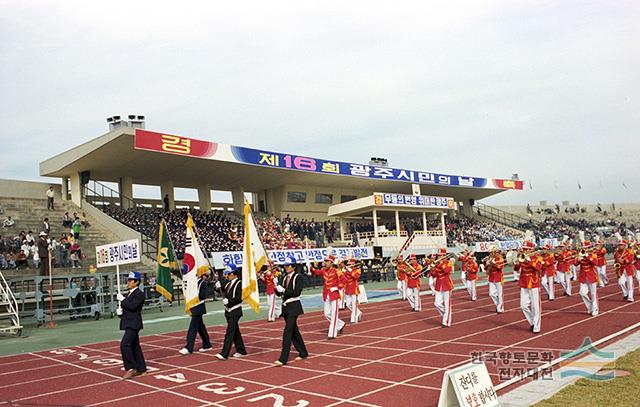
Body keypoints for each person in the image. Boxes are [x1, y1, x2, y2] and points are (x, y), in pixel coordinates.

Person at [274, 261, 308, 366]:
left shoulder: (298, 277)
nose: (286, 267)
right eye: (285, 266)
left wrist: (283, 290)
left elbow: (296, 292)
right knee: (294, 331)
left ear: (293, 267)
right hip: (286, 307)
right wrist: (276, 286)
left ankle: (283, 358)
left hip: (294, 306)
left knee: (287, 331)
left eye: (288, 266)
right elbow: (280, 294)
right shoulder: (284, 278)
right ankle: (303, 352)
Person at [117, 271, 147, 379]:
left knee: (124, 344)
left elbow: (133, 306)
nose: (128, 282)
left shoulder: (139, 294)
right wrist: (120, 313)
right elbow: (128, 308)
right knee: (135, 346)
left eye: (131, 280)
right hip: (128, 322)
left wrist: (123, 300)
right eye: (128, 280)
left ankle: (131, 367)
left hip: (134, 323)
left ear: (137, 282)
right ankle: (141, 368)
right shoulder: (129, 293)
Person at [309, 255, 345, 339]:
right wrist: (310, 267)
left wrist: (336, 287)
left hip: (334, 295)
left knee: (334, 314)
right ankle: (340, 324)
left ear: (331, 263)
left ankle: (332, 334)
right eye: (325, 261)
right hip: (326, 294)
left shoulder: (337, 271)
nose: (326, 263)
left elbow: (344, 281)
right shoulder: (324, 270)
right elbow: (317, 272)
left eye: (327, 261)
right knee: (326, 313)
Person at [215, 265, 247, 360]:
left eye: (228, 274)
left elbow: (239, 297)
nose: (227, 276)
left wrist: (229, 301)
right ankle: (241, 350)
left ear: (234, 274)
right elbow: (221, 290)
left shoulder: (239, 283)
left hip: (235, 310)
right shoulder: (228, 284)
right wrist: (217, 287)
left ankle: (224, 353)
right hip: (228, 311)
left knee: (229, 332)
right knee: (235, 332)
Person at [179, 270, 213, 355]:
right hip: (194, 307)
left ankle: (189, 347)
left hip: (199, 307)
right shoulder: (192, 283)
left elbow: (203, 296)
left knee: (192, 328)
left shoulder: (202, 283)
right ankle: (207, 344)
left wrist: (194, 294)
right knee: (200, 327)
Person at [513, 241, 544, 333]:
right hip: (524, 282)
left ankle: (536, 327)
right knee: (523, 306)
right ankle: (532, 322)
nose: (525, 251)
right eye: (524, 249)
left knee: (535, 306)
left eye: (526, 249)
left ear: (531, 250)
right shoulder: (521, 257)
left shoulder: (537, 257)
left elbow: (539, 268)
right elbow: (516, 269)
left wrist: (529, 260)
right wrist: (517, 263)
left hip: (533, 282)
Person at [431, 248, 454, 327]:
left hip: (447, 285)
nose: (439, 257)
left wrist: (440, 264)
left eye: (441, 256)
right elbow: (434, 274)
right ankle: (446, 314)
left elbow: (447, 270)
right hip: (438, 285)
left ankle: (446, 321)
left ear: (444, 256)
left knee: (447, 304)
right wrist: (432, 268)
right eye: (439, 256)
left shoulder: (449, 263)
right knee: (437, 304)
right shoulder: (437, 264)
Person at [575, 241, 600, 313]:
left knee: (593, 293)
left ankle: (595, 309)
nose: (584, 249)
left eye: (586, 248)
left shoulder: (593, 254)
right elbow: (575, 264)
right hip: (583, 276)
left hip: (591, 275)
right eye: (583, 248)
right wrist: (578, 259)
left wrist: (587, 256)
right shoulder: (580, 254)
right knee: (582, 293)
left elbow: (595, 263)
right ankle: (590, 306)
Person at [484, 246, 505, 313]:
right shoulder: (489, 258)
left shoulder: (500, 257)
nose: (490, 253)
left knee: (499, 293)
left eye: (491, 252)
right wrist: (486, 263)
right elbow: (485, 269)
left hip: (498, 276)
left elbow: (500, 267)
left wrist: (494, 263)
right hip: (491, 277)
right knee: (491, 294)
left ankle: (500, 307)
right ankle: (498, 305)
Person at [342, 258, 362, 324]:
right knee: (348, 304)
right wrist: (343, 271)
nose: (349, 265)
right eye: (348, 264)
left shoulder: (358, 270)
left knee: (354, 304)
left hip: (354, 289)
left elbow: (355, 277)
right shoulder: (346, 270)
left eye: (350, 264)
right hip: (347, 289)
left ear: (353, 265)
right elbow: (343, 278)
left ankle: (353, 320)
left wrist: (350, 271)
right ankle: (358, 312)